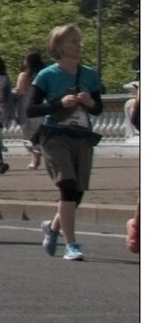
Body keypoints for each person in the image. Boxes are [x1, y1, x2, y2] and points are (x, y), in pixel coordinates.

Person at [31, 23, 105, 261]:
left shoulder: (90, 75)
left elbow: (98, 109)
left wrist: (90, 103)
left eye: (78, 41)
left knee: (78, 193)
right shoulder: (47, 75)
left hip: (82, 137)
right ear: (59, 46)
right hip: (55, 135)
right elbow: (32, 109)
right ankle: (71, 244)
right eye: (72, 41)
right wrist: (59, 104)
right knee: (68, 185)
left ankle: (53, 228)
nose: (77, 45)